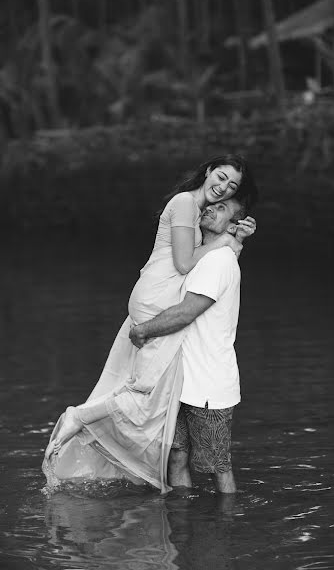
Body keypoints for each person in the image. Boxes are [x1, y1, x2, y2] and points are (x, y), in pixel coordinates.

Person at [42, 154, 257, 492]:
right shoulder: (187, 204)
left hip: (161, 306)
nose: (222, 188)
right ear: (208, 171)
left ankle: (93, 430)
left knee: (144, 394)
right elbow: (187, 264)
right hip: (156, 301)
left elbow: (217, 266)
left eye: (232, 186)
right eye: (220, 177)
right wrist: (228, 239)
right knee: (142, 392)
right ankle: (79, 418)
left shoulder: (202, 221)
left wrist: (234, 239)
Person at [129, 198, 245, 493]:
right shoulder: (201, 257)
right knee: (176, 457)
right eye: (212, 205)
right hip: (180, 379)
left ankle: (225, 528)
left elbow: (186, 312)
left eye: (221, 210)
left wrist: (144, 329)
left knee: (219, 467)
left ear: (232, 226)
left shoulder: (219, 262)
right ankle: (181, 524)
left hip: (209, 383)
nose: (210, 209)